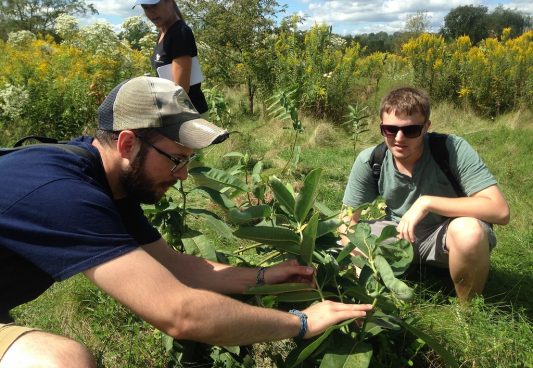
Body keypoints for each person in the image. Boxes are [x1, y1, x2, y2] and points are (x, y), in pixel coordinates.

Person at [0, 76, 372, 367]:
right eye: (177, 159)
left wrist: (264, 277)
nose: (183, 175)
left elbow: (176, 266)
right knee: (62, 362)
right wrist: (302, 323)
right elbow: (181, 313)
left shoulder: (107, 179)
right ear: (128, 143)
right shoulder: (63, 192)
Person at [340, 87, 510, 301]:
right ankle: (372, 294)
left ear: (426, 127)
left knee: (469, 232)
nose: (399, 138)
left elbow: (500, 210)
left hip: (445, 234)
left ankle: (468, 312)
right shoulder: (371, 160)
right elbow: (347, 221)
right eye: (390, 130)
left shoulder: (451, 149)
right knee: (339, 244)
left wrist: (427, 203)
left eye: (410, 130)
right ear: (381, 127)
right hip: (399, 234)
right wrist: (358, 262)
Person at [133, 0, 209, 115]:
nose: (150, 13)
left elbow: (180, 91)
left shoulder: (180, 33)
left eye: (154, 5)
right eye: (145, 8)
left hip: (189, 116)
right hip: (175, 113)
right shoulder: (163, 32)